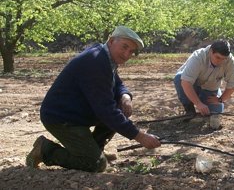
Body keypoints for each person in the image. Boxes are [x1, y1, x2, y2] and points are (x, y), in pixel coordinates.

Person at [26, 26, 161, 172]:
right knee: (96, 164)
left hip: (77, 114)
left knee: (118, 107)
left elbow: (117, 82)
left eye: (131, 51)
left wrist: (125, 95)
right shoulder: (95, 62)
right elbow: (106, 110)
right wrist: (139, 136)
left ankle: (95, 149)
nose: (127, 54)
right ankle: (45, 150)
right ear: (111, 41)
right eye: (124, 47)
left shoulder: (104, 56)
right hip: (62, 118)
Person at [174, 39, 234, 116]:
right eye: (218, 57)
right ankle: (189, 109)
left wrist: (220, 99)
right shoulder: (198, 56)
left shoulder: (229, 59)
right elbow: (186, 82)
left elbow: (233, 83)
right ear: (211, 51)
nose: (220, 61)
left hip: (210, 89)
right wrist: (199, 104)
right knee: (179, 77)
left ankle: (204, 103)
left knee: (216, 111)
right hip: (193, 86)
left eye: (224, 59)